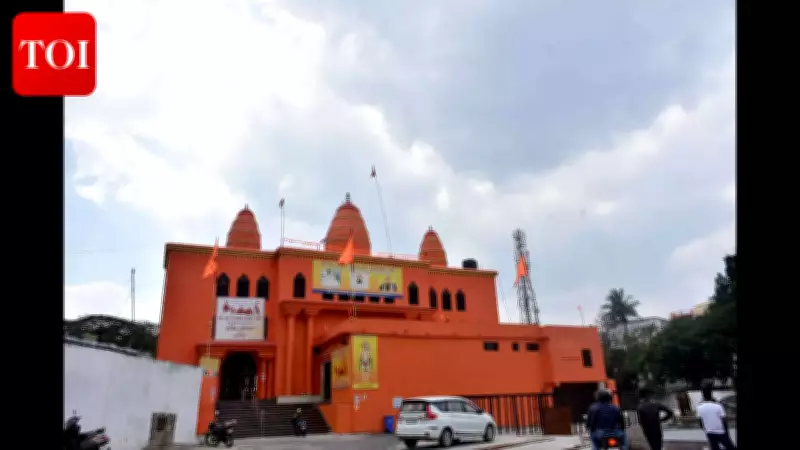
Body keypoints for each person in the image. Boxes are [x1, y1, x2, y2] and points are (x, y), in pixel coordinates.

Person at [697, 384, 736, 449]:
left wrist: (706, 430)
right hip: (720, 431)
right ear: (711, 394)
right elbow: (723, 420)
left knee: (715, 447)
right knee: (730, 447)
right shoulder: (718, 406)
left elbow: (701, 422)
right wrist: (727, 432)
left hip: (709, 432)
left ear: (703, 395)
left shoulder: (699, 407)